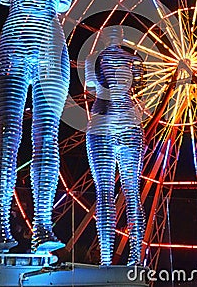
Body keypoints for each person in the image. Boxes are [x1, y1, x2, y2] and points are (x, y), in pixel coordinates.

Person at [0, 0, 77, 253]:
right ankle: (1, 225)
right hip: (34, 42)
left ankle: (40, 225)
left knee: (41, 134)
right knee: (12, 131)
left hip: (40, 44)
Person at [85, 26, 145, 266]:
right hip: (130, 122)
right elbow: (140, 88)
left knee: (104, 194)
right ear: (122, 38)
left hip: (101, 122)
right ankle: (135, 257)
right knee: (132, 193)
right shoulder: (136, 60)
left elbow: (90, 86)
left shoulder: (93, 59)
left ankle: (106, 260)